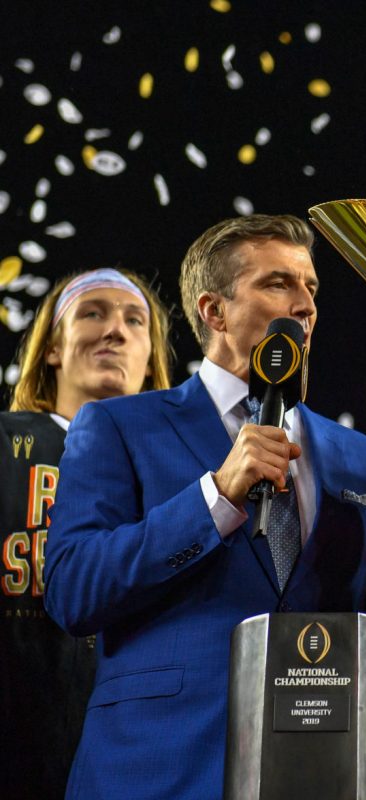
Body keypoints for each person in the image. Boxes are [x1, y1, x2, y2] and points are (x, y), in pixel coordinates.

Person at [43, 215, 366, 800]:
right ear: (214, 311)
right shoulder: (118, 426)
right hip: (157, 769)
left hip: (316, 773)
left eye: (312, 288)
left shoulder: (364, 460)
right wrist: (216, 498)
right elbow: (73, 590)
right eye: (279, 283)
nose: (304, 305)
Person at [2, 267, 171, 800]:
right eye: (92, 312)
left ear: (150, 358)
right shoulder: (5, 444)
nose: (114, 330)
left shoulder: (193, 468)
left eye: (134, 319)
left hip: (140, 750)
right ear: (52, 347)